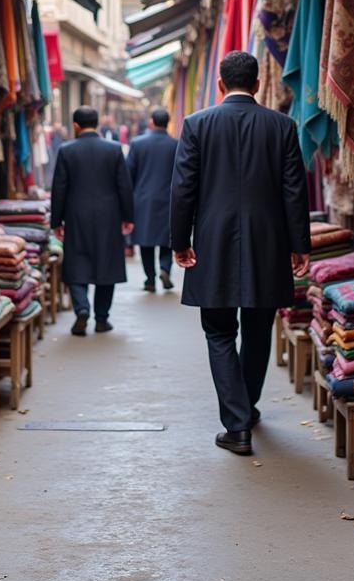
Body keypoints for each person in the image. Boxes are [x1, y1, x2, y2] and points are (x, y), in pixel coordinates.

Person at [170, 50, 310, 455]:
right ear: (257, 84)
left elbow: (183, 190)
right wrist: (299, 244)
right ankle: (245, 409)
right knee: (258, 327)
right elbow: (294, 191)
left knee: (218, 331)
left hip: (211, 243)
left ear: (219, 85)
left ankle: (237, 424)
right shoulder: (282, 126)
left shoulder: (196, 125)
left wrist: (181, 241)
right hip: (268, 244)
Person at [51, 105, 135, 336]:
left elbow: (59, 189)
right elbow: (124, 186)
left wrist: (56, 221)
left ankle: (81, 308)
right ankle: (101, 318)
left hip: (76, 215)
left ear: (76, 126)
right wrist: (128, 217)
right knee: (106, 265)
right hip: (109, 216)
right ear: (97, 124)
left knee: (76, 262)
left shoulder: (66, 150)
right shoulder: (114, 149)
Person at [126, 107, 179, 293]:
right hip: (169, 199)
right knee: (167, 240)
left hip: (143, 200)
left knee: (146, 242)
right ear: (168, 122)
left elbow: (128, 173)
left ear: (151, 122)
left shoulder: (138, 144)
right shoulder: (176, 145)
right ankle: (165, 269)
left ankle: (149, 279)